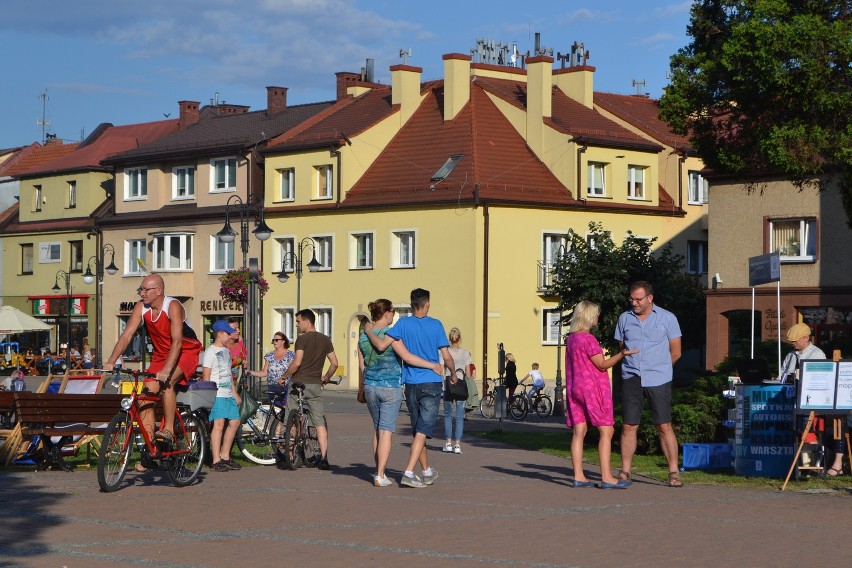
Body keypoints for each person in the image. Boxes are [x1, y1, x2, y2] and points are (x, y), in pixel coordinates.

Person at [366, 288, 455, 488]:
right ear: (427, 303)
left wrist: (369, 330)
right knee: (422, 430)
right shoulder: (436, 325)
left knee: (418, 431)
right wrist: (454, 373)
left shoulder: (402, 324)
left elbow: (381, 345)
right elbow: (446, 355)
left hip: (410, 383)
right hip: (431, 382)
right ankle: (408, 472)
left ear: (412, 304)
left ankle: (426, 471)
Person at [103, 274, 203, 447]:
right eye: (140, 289)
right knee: (144, 399)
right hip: (160, 355)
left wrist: (166, 371)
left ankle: (169, 430)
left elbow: (178, 342)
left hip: (185, 351)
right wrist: (111, 360)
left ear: (158, 291)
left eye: (145, 289)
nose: (142, 293)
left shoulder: (172, 306)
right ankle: (150, 450)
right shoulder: (141, 307)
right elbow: (127, 335)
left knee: (168, 382)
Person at [614, 281, 683, 488]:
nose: (634, 303)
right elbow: (622, 346)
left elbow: (676, 351)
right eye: (632, 299)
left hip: (659, 379)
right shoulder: (624, 319)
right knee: (629, 425)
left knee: (664, 425)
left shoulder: (667, 318)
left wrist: (662, 368)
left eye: (638, 299)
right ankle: (625, 470)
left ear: (650, 298)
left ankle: (673, 472)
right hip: (632, 378)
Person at [566, 301, 638, 489]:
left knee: (579, 431)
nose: (598, 317)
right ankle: (606, 477)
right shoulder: (588, 339)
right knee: (607, 430)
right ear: (589, 316)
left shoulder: (571, 338)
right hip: (592, 389)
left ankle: (578, 476)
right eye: (596, 314)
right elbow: (602, 364)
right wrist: (622, 354)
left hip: (575, 387)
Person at [277, 309, 338, 471]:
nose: (296, 325)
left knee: (291, 418)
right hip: (315, 385)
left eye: (298, 322)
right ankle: (324, 458)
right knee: (319, 421)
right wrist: (325, 377)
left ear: (307, 322)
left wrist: (284, 376)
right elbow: (334, 363)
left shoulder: (302, 339)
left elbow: (297, 363)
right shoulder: (326, 340)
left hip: (298, 383)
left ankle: (290, 457)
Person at [204, 320, 243, 472]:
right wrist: (208, 396)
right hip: (217, 394)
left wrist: (235, 394)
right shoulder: (210, 352)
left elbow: (228, 375)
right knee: (218, 424)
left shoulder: (226, 351)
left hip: (228, 393)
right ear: (219, 334)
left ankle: (225, 455)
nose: (230, 335)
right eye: (228, 333)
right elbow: (206, 376)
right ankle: (216, 459)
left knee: (235, 422)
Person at [444, 327, 472, 455]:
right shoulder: (466, 353)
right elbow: (468, 373)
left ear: (449, 338)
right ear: (460, 338)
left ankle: (448, 443)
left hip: (449, 384)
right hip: (460, 385)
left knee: (448, 414)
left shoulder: (445, 352)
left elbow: (441, 369)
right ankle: (457, 445)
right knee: (459, 417)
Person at [248, 332, 295, 396]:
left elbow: (293, 370)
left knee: (285, 406)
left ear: (283, 341)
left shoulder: (290, 355)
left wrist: (284, 378)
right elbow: (264, 373)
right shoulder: (269, 355)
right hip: (272, 387)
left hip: (286, 387)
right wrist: (249, 372)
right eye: (273, 340)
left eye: (276, 340)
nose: (274, 342)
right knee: (274, 405)